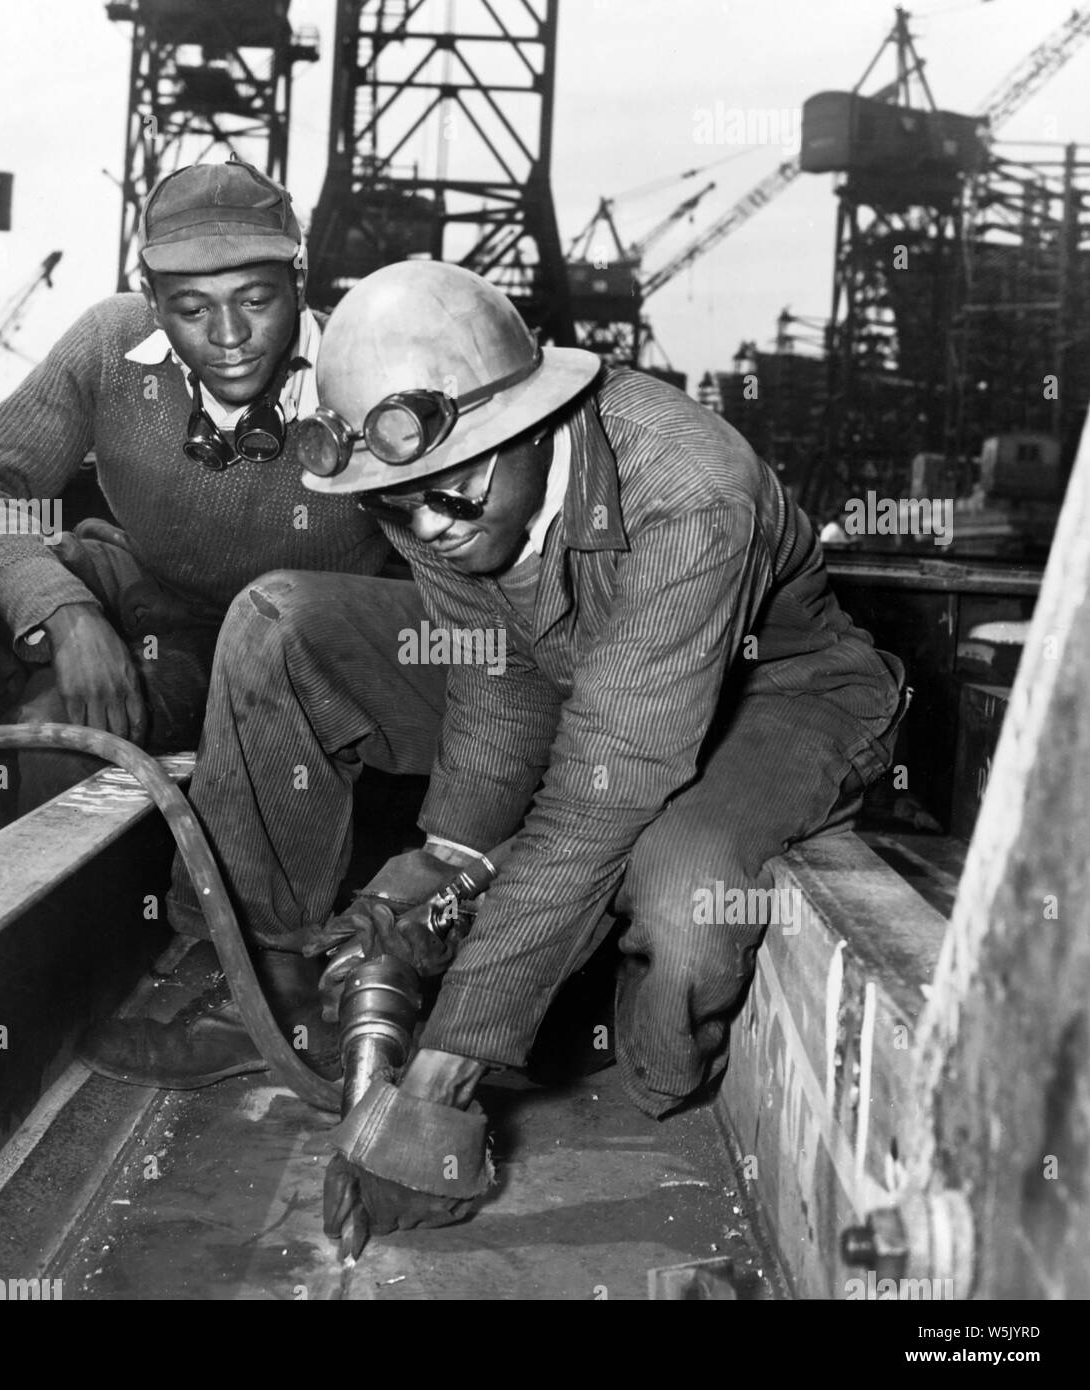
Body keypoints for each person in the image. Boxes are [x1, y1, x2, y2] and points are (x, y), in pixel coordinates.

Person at [281, 261, 907, 1243]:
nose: (428, 530)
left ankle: (652, 1087)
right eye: (397, 510)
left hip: (785, 692)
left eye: (451, 495)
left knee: (682, 895)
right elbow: (496, 685)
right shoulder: (416, 492)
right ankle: (546, 1010)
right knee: (534, 868)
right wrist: (453, 857)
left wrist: (442, 1079)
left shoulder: (689, 488)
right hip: (606, 691)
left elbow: (595, 801)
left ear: (530, 421)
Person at [0, 157, 392, 1049]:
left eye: (258, 299)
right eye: (190, 309)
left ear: (299, 279)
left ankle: (49, 998)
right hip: (144, 597)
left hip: (270, 648)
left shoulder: (368, 370)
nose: (229, 336)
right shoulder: (111, 344)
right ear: (150, 297)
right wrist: (63, 611)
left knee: (59, 739)